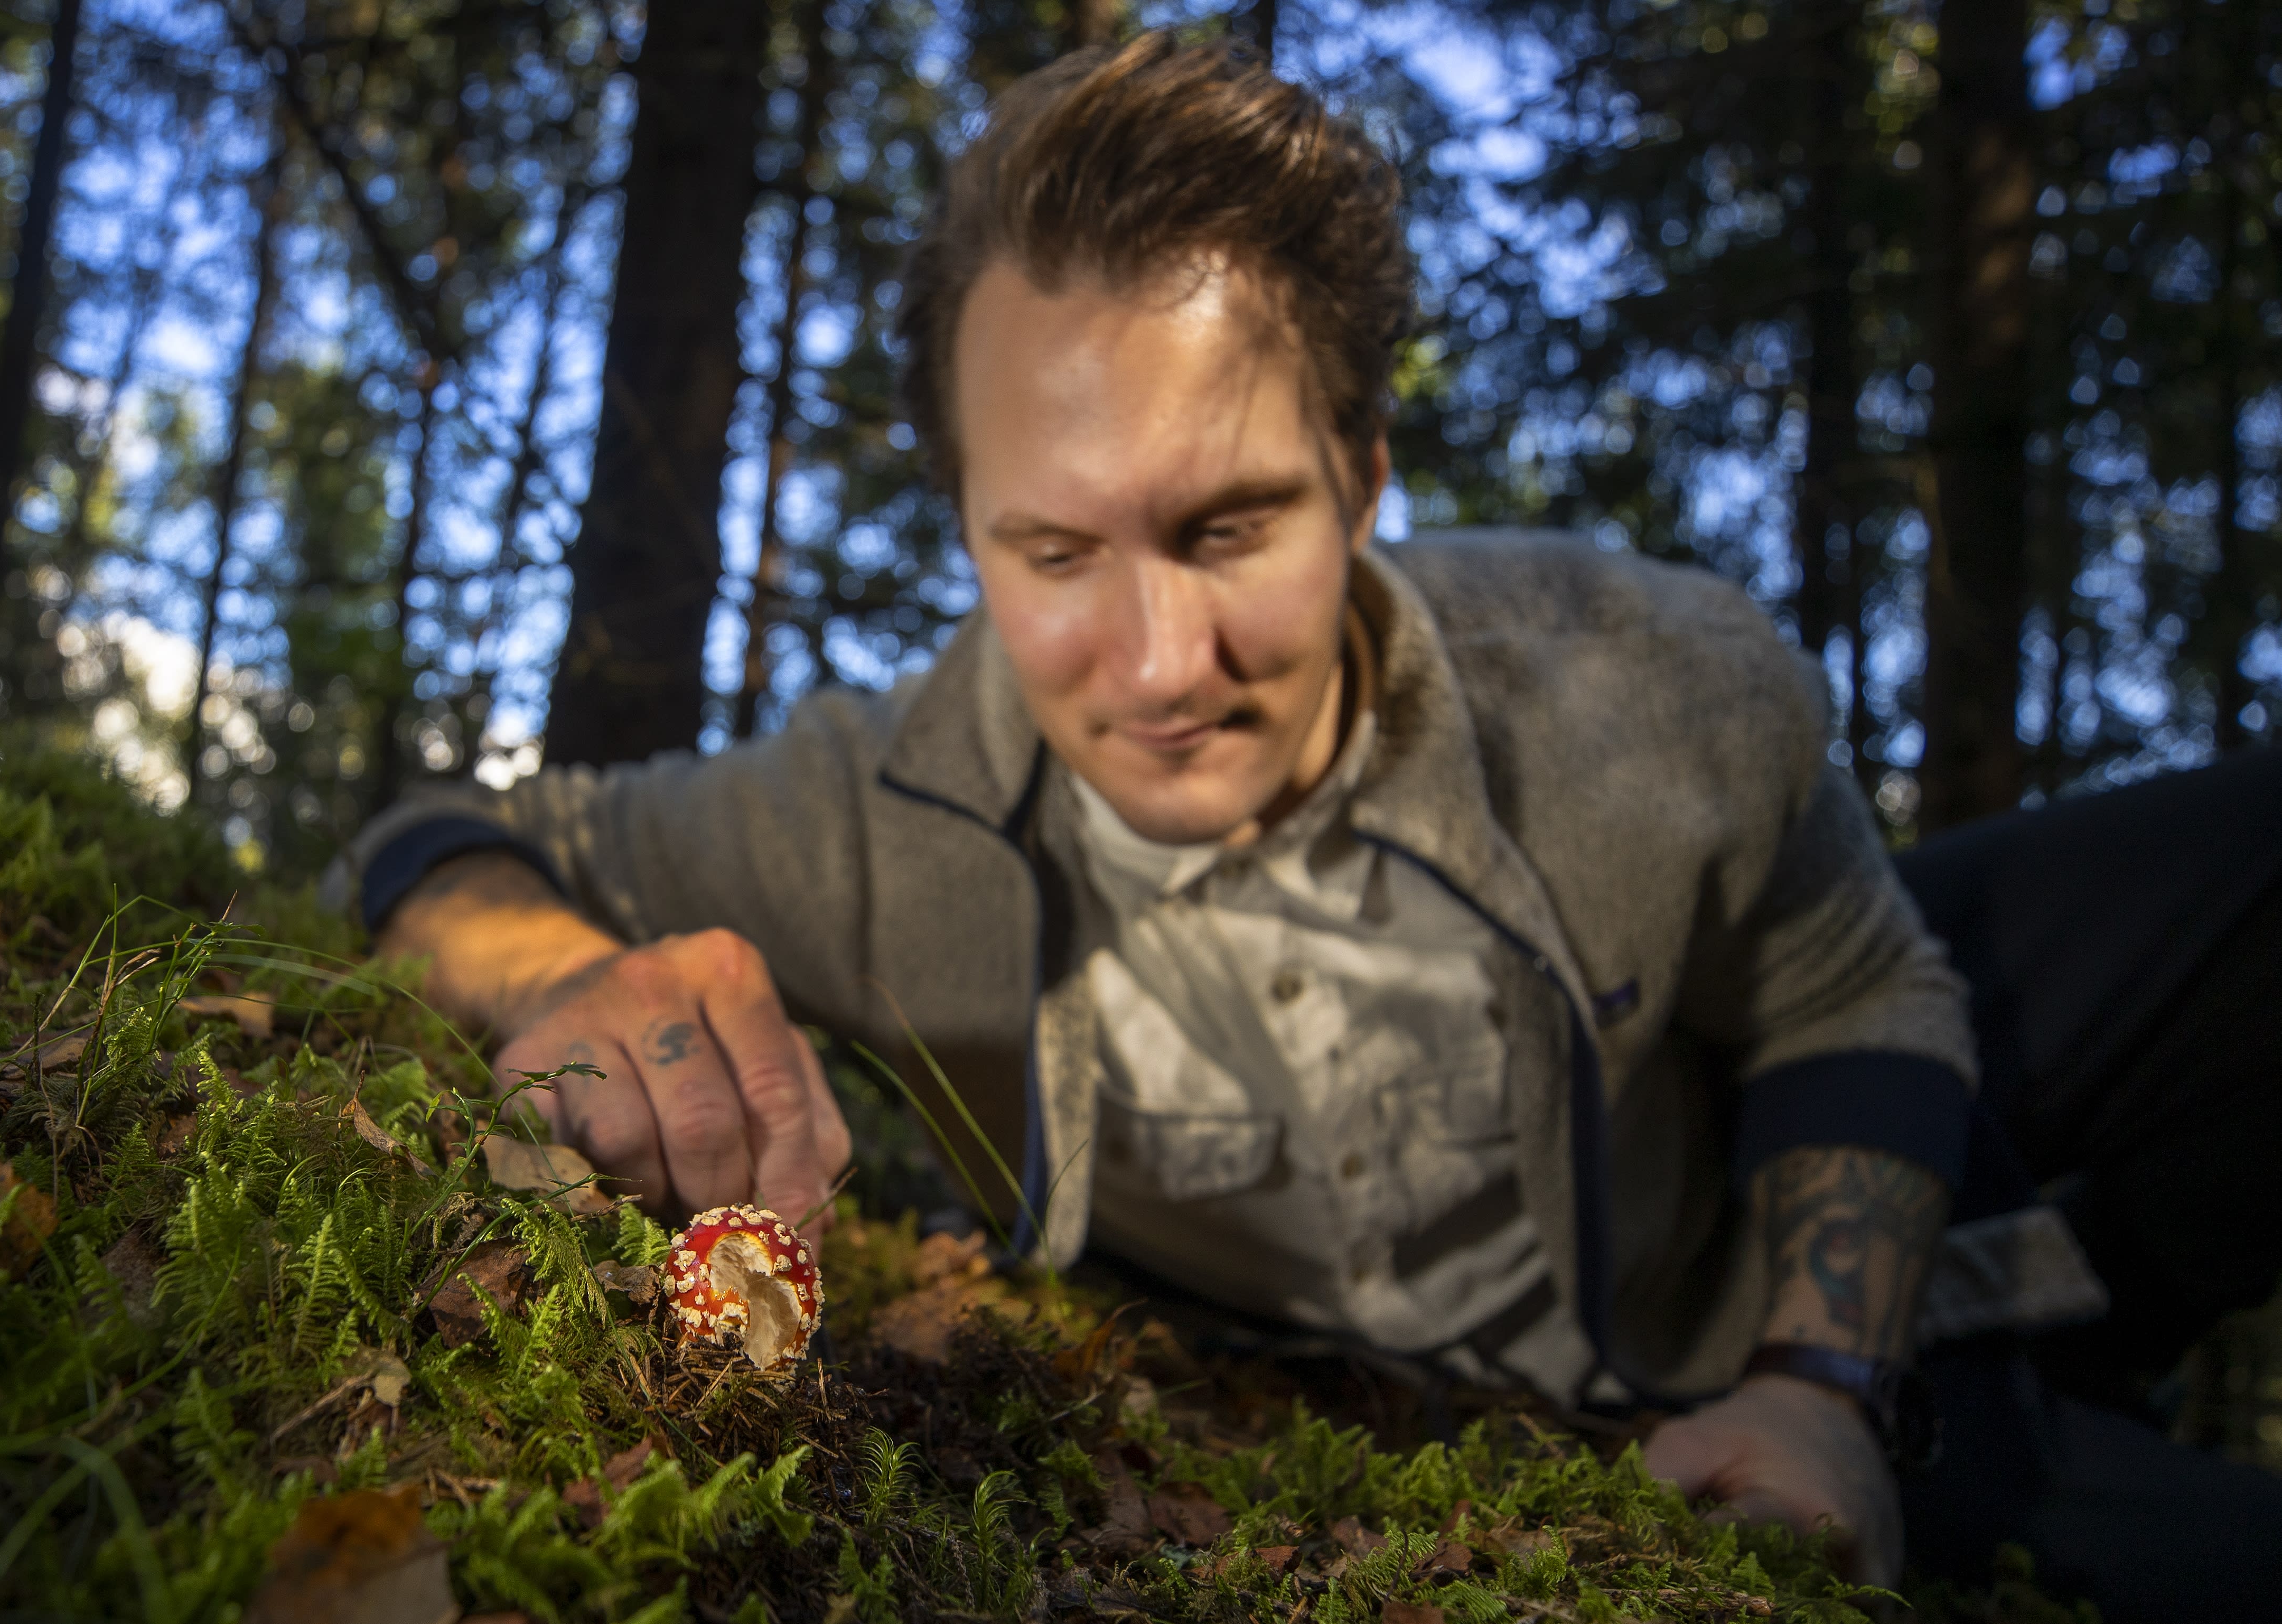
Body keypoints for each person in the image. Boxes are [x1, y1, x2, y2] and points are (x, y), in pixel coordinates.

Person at [348, 33, 2282, 1615]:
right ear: (970, 532)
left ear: (1361, 476)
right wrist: (583, 967)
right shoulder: (874, 812)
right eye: (1053, 551)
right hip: (1663, 1426)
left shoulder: (1656, 683)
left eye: (1227, 526)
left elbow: (1855, 998)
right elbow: (450, 840)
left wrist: (1825, 1381)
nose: (1159, 658)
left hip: (1808, 1228)